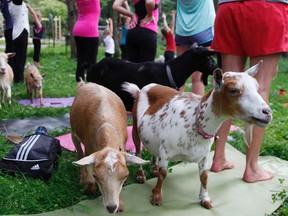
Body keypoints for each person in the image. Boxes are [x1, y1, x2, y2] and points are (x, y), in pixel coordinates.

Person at [210, 0, 288, 183]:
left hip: (227, 7)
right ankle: (252, 169)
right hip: (266, 6)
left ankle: (218, 158)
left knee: (228, 86)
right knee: (260, 85)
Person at [175, 0, 215, 95]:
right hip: (203, 29)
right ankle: (196, 109)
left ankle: (175, 107)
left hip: (182, 31)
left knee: (180, 76)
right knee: (198, 79)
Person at [73, 0, 100, 88]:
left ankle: (80, 90)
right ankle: (91, 91)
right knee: (91, 64)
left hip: (78, 29)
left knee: (80, 62)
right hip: (90, 30)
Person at [8, 0, 29, 83]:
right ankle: (19, 79)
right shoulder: (15, 3)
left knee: (18, 58)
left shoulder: (12, 4)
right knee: (21, 58)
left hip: (18, 32)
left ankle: (17, 78)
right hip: (21, 32)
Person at [0, 0, 14, 67]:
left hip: (9, 29)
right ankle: (8, 65)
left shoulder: (3, 3)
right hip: (11, 28)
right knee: (11, 48)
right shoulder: (5, 3)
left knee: (10, 48)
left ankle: (7, 64)